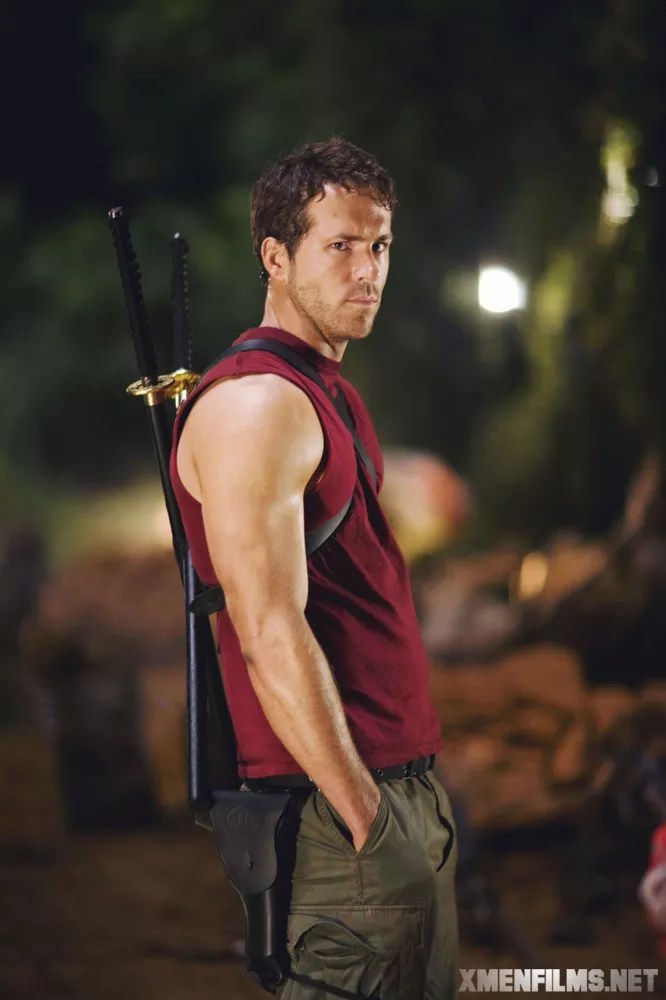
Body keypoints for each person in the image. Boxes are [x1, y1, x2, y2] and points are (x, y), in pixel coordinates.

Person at [170, 138, 458, 999]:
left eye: (380, 245)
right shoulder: (257, 404)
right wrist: (368, 821)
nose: (367, 271)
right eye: (340, 245)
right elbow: (266, 630)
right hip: (336, 811)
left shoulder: (324, 389)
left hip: (398, 793)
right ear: (275, 257)